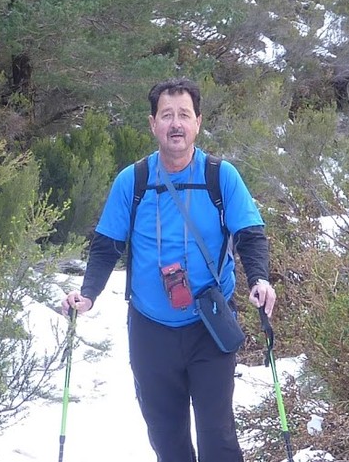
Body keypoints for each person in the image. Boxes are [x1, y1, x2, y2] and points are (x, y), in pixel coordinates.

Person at [61, 77, 276, 462]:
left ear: (198, 123)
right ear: (152, 123)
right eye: (166, 115)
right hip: (150, 329)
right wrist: (88, 293)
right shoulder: (133, 181)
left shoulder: (220, 176)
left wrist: (259, 279)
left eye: (184, 115)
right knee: (166, 437)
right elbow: (107, 244)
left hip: (210, 324)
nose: (176, 124)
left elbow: (250, 233)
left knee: (217, 435)